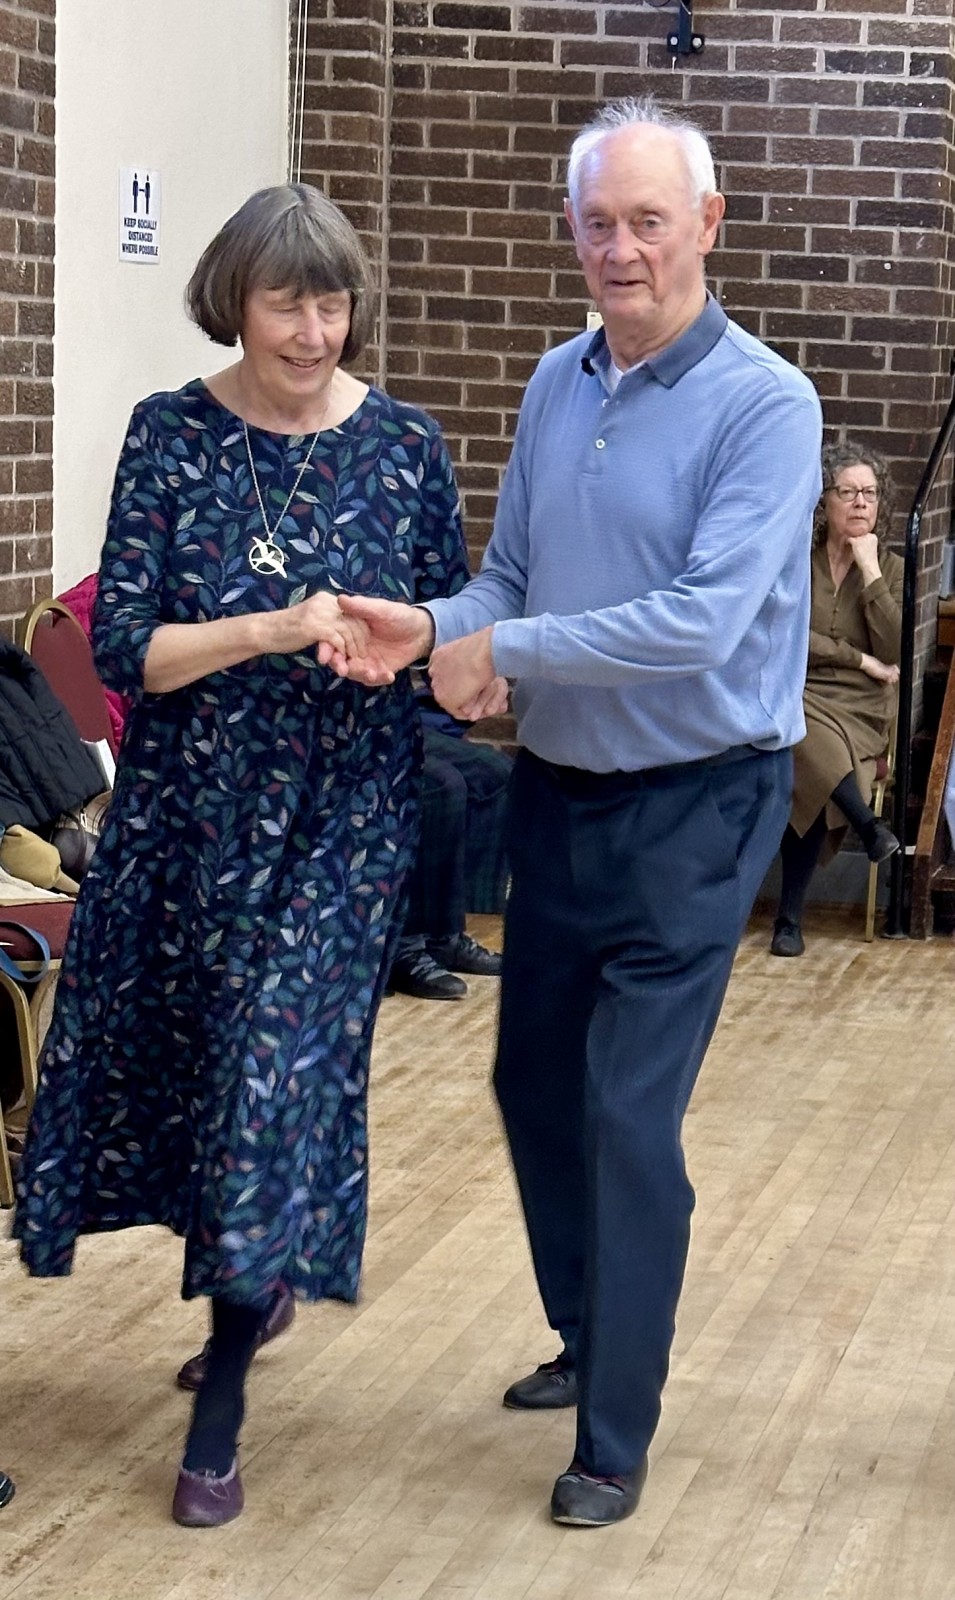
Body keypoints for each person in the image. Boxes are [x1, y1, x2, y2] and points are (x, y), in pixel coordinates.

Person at [331, 96, 823, 1526]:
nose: (620, 249)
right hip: (559, 791)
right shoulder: (557, 381)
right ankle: (587, 1328)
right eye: (597, 222)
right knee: (533, 1085)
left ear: (705, 226)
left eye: (647, 221)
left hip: (700, 804)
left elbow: (701, 623)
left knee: (623, 1112)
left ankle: (614, 1430)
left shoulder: (767, 405)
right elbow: (512, 576)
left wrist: (510, 649)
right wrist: (431, 627)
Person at [13, 183, 470, 1527]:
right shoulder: (170, 435)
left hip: (342, 825)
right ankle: (255, 1280)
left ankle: (217, 1408)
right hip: (190, 822)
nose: (314, 331)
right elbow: (123, 650)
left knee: (271, 1077)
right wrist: (271, 629)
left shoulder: (405, 446)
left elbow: (440, 622)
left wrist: (410, 651)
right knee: (209, 1083)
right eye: (288, 304)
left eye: (333, 304)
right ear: (235, 301)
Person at [771, 442, 903, 956]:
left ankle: (789, 920)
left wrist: (871, 573)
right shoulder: (797, 562)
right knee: (803, 736)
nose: (861, 503)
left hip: (861, 706)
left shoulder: (890, 567)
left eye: (870, 493)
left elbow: (894, 650)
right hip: (799, 690)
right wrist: (857, 658)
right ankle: (867, 828)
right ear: (823, 502)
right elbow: (785, 635)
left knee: (807, 752)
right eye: (847, 492)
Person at [387, 694, 511, 1001]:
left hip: (395, 714)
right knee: (440, 785)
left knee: (497, 775)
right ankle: (405, 945)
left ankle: (449, 933)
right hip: (339, 723)